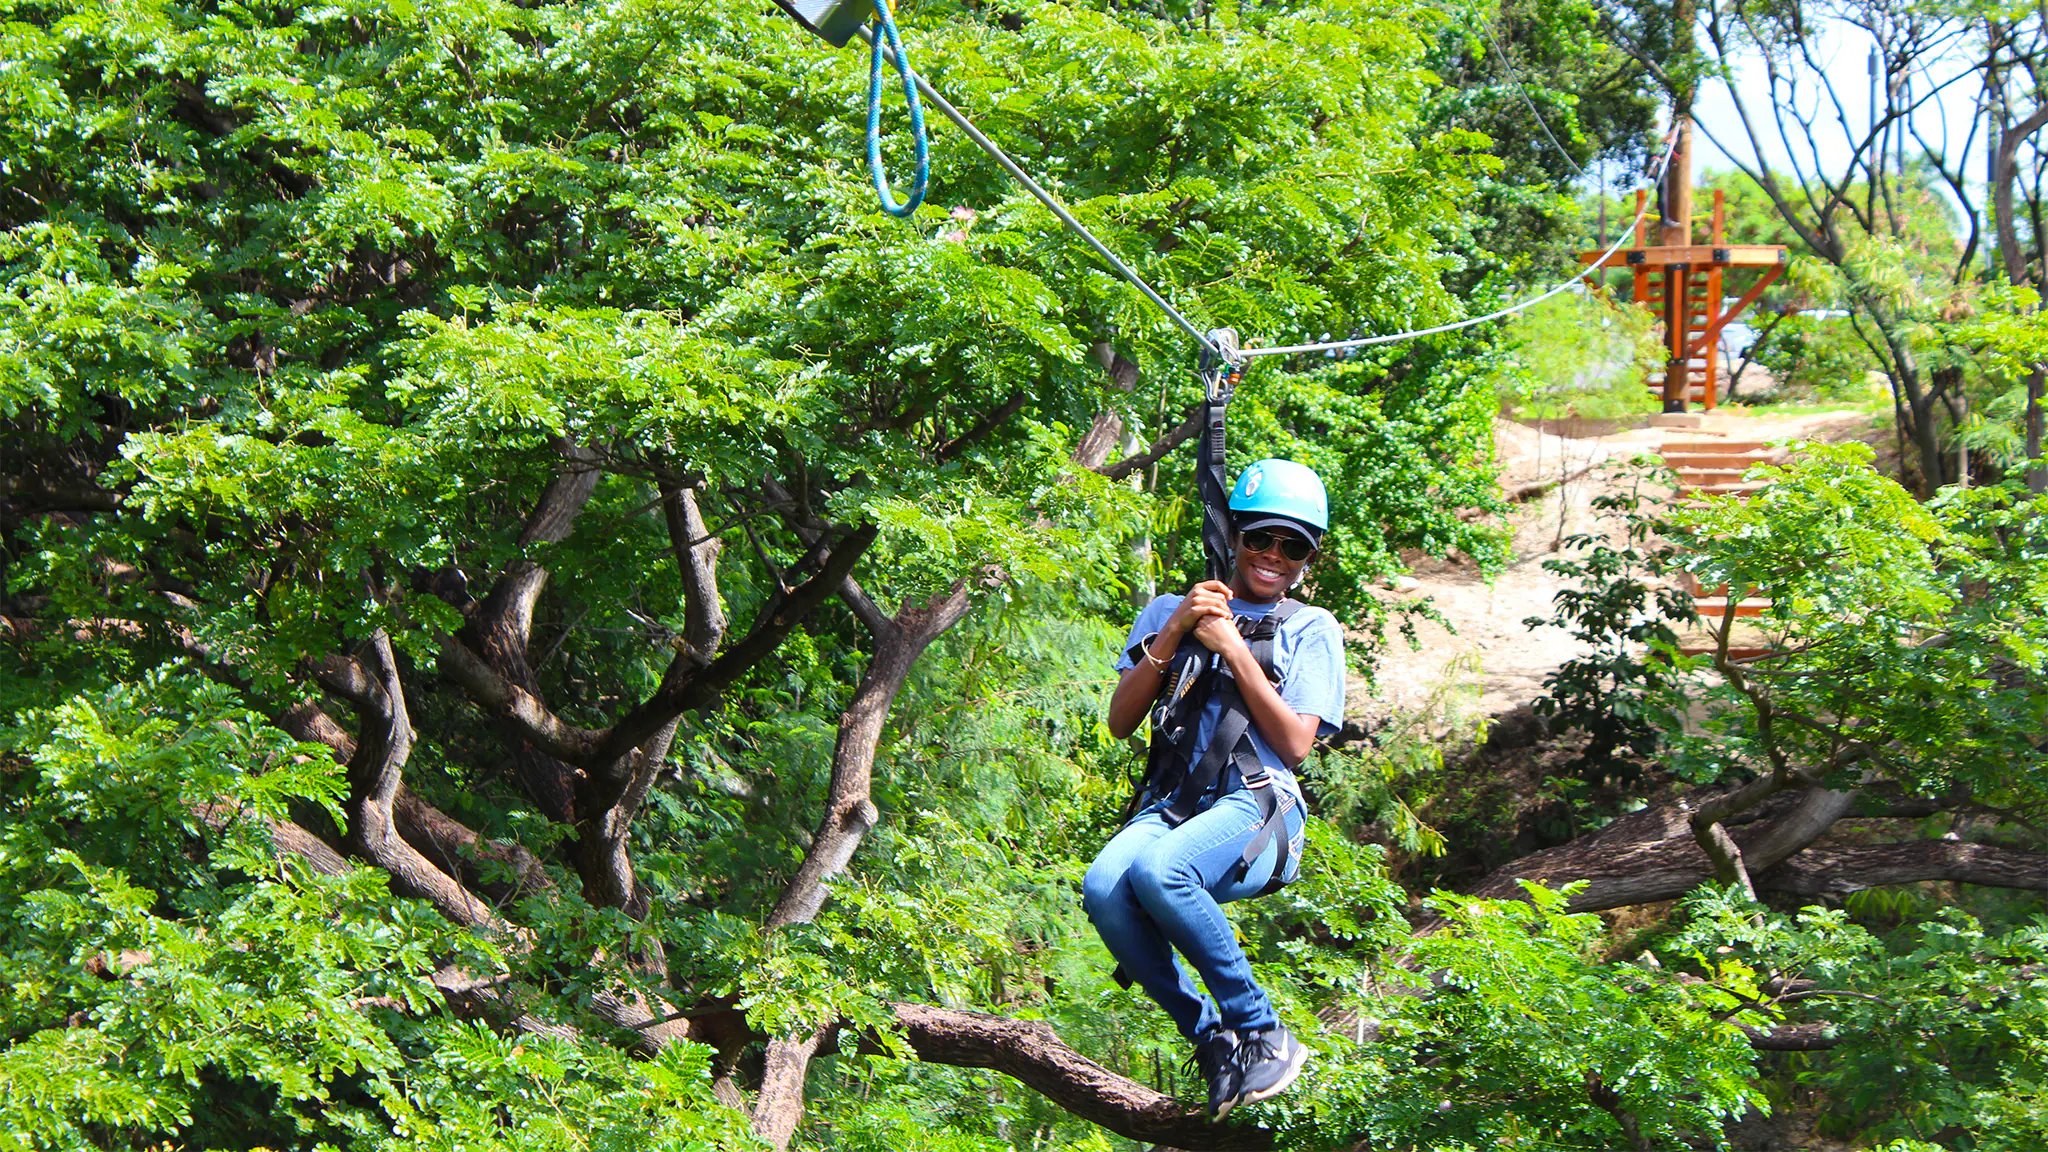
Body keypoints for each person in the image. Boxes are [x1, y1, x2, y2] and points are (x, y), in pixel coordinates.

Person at [1082, 458, 1346, 1120]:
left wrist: (1232, 648)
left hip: (1259, 809)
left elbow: (1295, 743)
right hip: (1174, 804)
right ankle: (1213, 1041)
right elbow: (1120, 721)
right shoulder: (1171, 610)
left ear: (1308, 559)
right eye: (1261, 538)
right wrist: (1176, 630)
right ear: (1235, 536)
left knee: (1160, 870)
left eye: (1293, 547)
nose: (1273, 557)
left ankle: (1261, 1028)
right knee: (1105, 889)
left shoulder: (1310, 628)